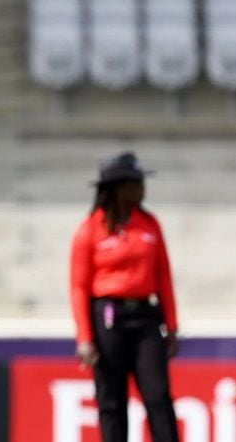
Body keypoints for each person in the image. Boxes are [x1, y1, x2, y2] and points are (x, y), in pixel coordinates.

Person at [69, 151, 180, 442]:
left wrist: (171, 325)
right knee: (112, 401)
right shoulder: (89, 229)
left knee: (158, 396)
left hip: (146, 318)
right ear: (119, 188)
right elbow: (79, 286)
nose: (143, 188)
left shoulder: (149, 224)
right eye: (137, 183)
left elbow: (163, 276)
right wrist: (84, 338)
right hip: (108, 319)